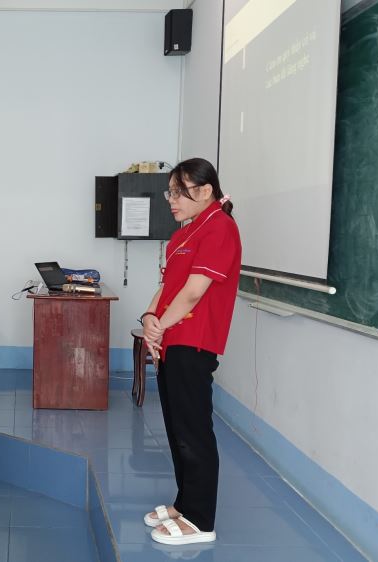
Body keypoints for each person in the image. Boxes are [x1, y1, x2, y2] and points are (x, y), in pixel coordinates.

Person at [140, 158, 241, 547]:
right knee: (177, 428)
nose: (171, 200)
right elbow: (167, 288)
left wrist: (160, 326)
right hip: (172, 341)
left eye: (178, 192)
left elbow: (195, 292)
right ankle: (185, 504)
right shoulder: (182, 235)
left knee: (193, 431)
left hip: (194, 342)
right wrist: (150, 317)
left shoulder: (220, 227)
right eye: (169, 192)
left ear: (205, 190)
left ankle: (200, 520)